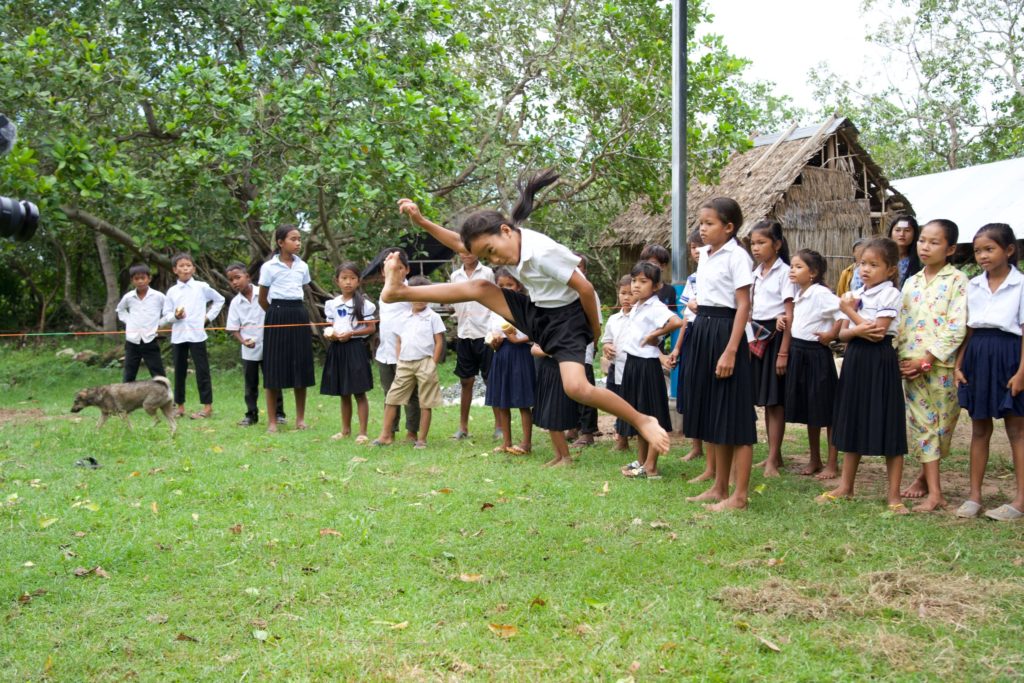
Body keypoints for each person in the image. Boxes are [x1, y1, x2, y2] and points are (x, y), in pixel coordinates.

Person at [385, 169, 671, 454]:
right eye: (487, 256)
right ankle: (401, 292)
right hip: (539, 311)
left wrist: (593, 332)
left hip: (568, 319)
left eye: (491, 251)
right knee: (481, 287)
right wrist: (422, 221)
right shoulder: (507, 242)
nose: (495, 259)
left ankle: (642, 420)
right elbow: (462, 244)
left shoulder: (541, 252)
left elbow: (585, 289)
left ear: (506, 231)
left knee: (577, 388)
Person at [819, 237, 908, 513]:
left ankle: (894, 495)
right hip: (854, 357)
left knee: (889, 421)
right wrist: (854, 326)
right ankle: (846, 486)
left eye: (873, 265)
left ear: (891, 269)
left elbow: (878, 331)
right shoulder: (857, 293)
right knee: (853, 416)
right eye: (861, 264)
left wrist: (849, 313)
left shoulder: (890, 294)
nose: (865, 270)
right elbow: (843, 333)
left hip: (879, 358)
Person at [681, 198, 757, 511]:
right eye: (701, 222)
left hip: (727, 333)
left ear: (729, 227)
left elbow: (743, 305)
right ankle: (719, 487)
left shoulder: (737, 256)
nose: (703, 227)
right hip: (704, 330)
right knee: (715, 412)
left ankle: (739, 496)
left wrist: (730, 350)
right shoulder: (706, 256)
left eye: (710, 223)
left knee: (735, 415)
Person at [896, 219, 967, 512]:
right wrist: (901, 358)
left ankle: (925, 477)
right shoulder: (910, 282)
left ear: (950, 249)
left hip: (942, 367)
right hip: (909, 366)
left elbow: (956, 326)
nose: (925, 246)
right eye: (922, 240)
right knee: (923, 427)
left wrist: (927, 359)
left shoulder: (958, 280)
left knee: (943, 429)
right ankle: (936, 493)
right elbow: (900, 323)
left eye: (934, 242)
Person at [954, 223, 1024, 521]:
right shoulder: (973, 285)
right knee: (979, 428)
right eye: (978, 250)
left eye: (989, 249)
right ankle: (974, 496)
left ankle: (1021, 500)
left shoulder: (1020, 285)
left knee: (1017, 430)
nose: (982, 255)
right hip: (978, 354)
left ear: (1008, 250)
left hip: (1010, 354)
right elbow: (968, 330)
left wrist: (1021, 372)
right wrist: (959, 364)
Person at [619, 261, 683, 479]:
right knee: (639, 414)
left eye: (643, 282)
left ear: (656, 286)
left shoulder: (655, 306)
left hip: (647, 366)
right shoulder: (639, 305)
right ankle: (642, 462)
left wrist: (655, 335)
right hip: (633, 364)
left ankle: (652, 466)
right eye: (634, 280)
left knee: (652, 415)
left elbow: (676, 321)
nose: (636, 286)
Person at [785, 250, 841, 478]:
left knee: (825, 409)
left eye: (798, 267)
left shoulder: (820, 293)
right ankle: (814, 459)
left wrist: (831, 335)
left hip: (817, 354)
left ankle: (831, 463)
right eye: (792, 266)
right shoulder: (801, 293)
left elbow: (842, 313)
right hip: (799, 352)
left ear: (813, 273)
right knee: (810, 409)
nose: (792, 270)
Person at [371, 276, 445, 449]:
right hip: (404, 363)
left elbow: (439, 341)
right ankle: (385, 435)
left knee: (425, 402)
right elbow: (398, 340)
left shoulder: (433, 317)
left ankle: (421, 439)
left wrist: (432, 363)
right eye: (415, 294)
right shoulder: (403, 316)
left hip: (425, 362)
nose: (419, 299)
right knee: (392, 398)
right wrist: (399, 360)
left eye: (423, 294)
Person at [748, 220, 794, 478]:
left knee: (775, 402)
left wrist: (784, 352)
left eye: (761, 242)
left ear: (776, 244)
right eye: (753, 243)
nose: (756, 248)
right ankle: (772, 456)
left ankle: (774, 458)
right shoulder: (755, 273)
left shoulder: (784, 273)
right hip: (758, 336)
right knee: (766, 400)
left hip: (777, 338)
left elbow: (789, 315)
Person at [258, 225, 315, 432]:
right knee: (274, 368)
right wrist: (275, 314)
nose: (298, 243)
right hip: (276, 314)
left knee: (300, 366)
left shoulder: (303, 266)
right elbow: (263, 299)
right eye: (293, 239)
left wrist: (295, 312)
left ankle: (300, 419)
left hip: (298, 312)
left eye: (299, 239)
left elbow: (304, 290)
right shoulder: (269, 267)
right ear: (281, 242)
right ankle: (272, 421)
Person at [161, 252, 225, 419]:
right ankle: (179, 407)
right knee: (179, 372)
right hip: (179, 336)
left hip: (197, 335)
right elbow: (166, 315)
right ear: (175, 270)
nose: (185, 269)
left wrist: (208, 317)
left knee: (202, 371)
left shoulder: (201, 287)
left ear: (193, 269)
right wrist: (175, 316)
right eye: (181, 266)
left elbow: (220, 300)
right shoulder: (172, 291)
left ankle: (207, 407)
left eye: (188, 266)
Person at [321, 262, 377, 443]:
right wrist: (331, 335)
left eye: (352, 278)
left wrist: (352, 333)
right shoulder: (332, 304)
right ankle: (345, 430)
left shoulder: (364, 304)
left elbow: (371, 328)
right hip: (337, 349)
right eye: (344, 278)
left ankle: (362, 432)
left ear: (359, 281)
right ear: (337, 281)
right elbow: (330, 326)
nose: (348, 282)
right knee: (343, 392)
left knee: (359, 392)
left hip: (355, 349)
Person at [225, 263, 285, 427]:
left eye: (238, 277)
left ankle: (279, 413)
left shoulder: (264, 294)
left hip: (270, 345)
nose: (235, 282)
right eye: (231, 280)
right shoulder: (235, 303)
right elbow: (233, 328)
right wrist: (243, 340)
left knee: (273, 380)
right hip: (249, 348)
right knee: (250, 384)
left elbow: (276, 314)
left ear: (248, 277)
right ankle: (251, 414)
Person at [371, 248, 420, 443]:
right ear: (383, 272)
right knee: (388, 393)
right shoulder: (383, 294)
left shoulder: (411, 292)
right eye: (389, 268)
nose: (394, 272)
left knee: (410, 394)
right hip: (385, 352)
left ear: (406, 270)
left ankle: (412, 432)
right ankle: (389, 432)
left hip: (407, 352)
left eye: (399, 268)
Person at [485, 268, 534, 455]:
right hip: (501, 353)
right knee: (502, 400)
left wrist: (517, 339)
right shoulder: (495, 308)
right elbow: (490, 334)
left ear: (519, 285)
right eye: (501, 286)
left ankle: (526, 443)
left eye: (510, 285)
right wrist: (494, 342)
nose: (506, 289)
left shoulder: (526, 305)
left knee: (523, 401)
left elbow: (535, 332)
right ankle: (506, 442)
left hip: (521, 352)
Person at [450, 252, 498, 440]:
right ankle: (463, 427)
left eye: (469, 250)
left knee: (490, 380)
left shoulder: (487, 273)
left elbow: (493, 300)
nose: (466, 255)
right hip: (464, 334)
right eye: (462, 251)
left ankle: (499, 425)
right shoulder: (455, 276)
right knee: (465, 381)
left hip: (485, 333)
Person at [669, 230, 706, 472]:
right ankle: (696, 445)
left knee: (705, 390)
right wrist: (678, 347)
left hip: (711, 334)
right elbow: (686, 316)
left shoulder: (719, 274)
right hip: (691, 334)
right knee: (690, 389)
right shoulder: (692, 278)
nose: (695, 251)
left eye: (699, 246)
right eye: (693, 247)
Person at [567, 252, 599, 448]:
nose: (576, 271)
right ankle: (573, 426)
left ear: (585, 270)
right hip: (565, 348)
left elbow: (596, 323)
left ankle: (588, 431)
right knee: (569, 390)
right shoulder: (563, 289)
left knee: (585, 390)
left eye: (579, 267)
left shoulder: (588, 291)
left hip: (583, 347)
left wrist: (593, 344)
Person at [116, 264, 167, 383]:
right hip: (132, 341)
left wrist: (160, 323)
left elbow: (168, 312)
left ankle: (166, 400)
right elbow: (120, 310)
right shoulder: (128, 297)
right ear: (132, 281)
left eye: (143, 278)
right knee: (129, 372)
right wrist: (129, 321)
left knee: (158, 372)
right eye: (136, 279)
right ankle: (126, 399)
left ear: (149, 279)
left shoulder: (158, 296)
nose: (140, 281)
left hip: (150, 339)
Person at [531, 343, 579, 467]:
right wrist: (547, 351)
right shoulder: (546, 328)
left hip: (562, 368)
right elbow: (534, 349)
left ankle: (566, 457)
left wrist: (547, 350)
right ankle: (559, 456)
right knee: (547, 417)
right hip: (547, 368)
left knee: (553, 415)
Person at [601, 275, 634, 451]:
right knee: (618, 402)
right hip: (616, 368)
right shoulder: (614, 319)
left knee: (632, 402)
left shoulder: (638, 317)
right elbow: (606, 340)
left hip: (634, 368)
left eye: (630, 293)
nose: (626, 297)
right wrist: (607, 347)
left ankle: (629, 436)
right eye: (623, 293)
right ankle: (622, 439)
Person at [888, 215, 922, 288]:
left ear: (914, 234)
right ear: (891, 232)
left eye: (907, 230)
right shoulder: (880, 256)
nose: (902, 234)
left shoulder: (921, 260)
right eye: (897, 230)